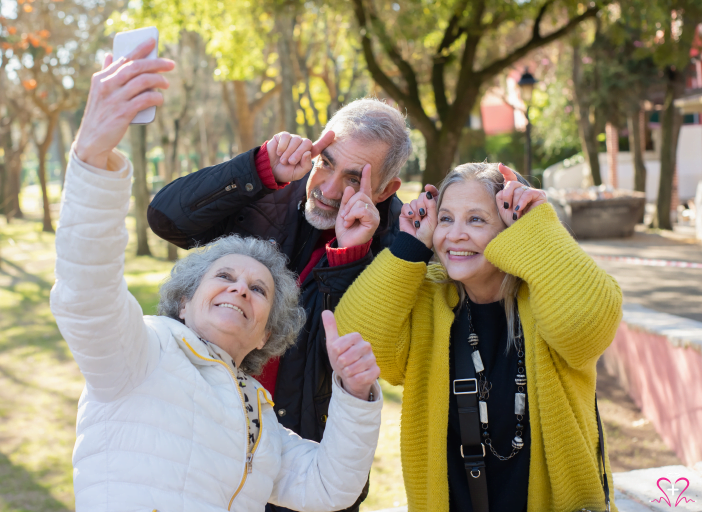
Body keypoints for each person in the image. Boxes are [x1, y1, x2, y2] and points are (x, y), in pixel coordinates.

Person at [51, 38, 384, 512]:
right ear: (184, 301)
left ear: (269, 331)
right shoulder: (142, 354)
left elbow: (330, 487)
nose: (239, 289)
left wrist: (355, 395)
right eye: (224, 275)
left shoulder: (260, 418)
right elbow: (85, 294)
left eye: (258, 289)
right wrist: (91, 155)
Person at [148, 79, 411, 511]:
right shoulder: (273, 187)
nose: (327, 188)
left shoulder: (398, 242)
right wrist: (257, 169)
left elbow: (343, 350)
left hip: (302, 463)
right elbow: (166, 219)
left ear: (384, 190)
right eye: (325, 163)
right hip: (206, 434)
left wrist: (348, 256)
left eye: (352, 179)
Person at [333, 162, 623, 512]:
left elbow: (586, 326)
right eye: (446, 219)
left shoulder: (548, 296)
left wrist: (538, 226)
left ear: (511, 230)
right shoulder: (428, 298)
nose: (455, 234)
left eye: (476, 219)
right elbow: (357, 343)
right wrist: (410, 245)